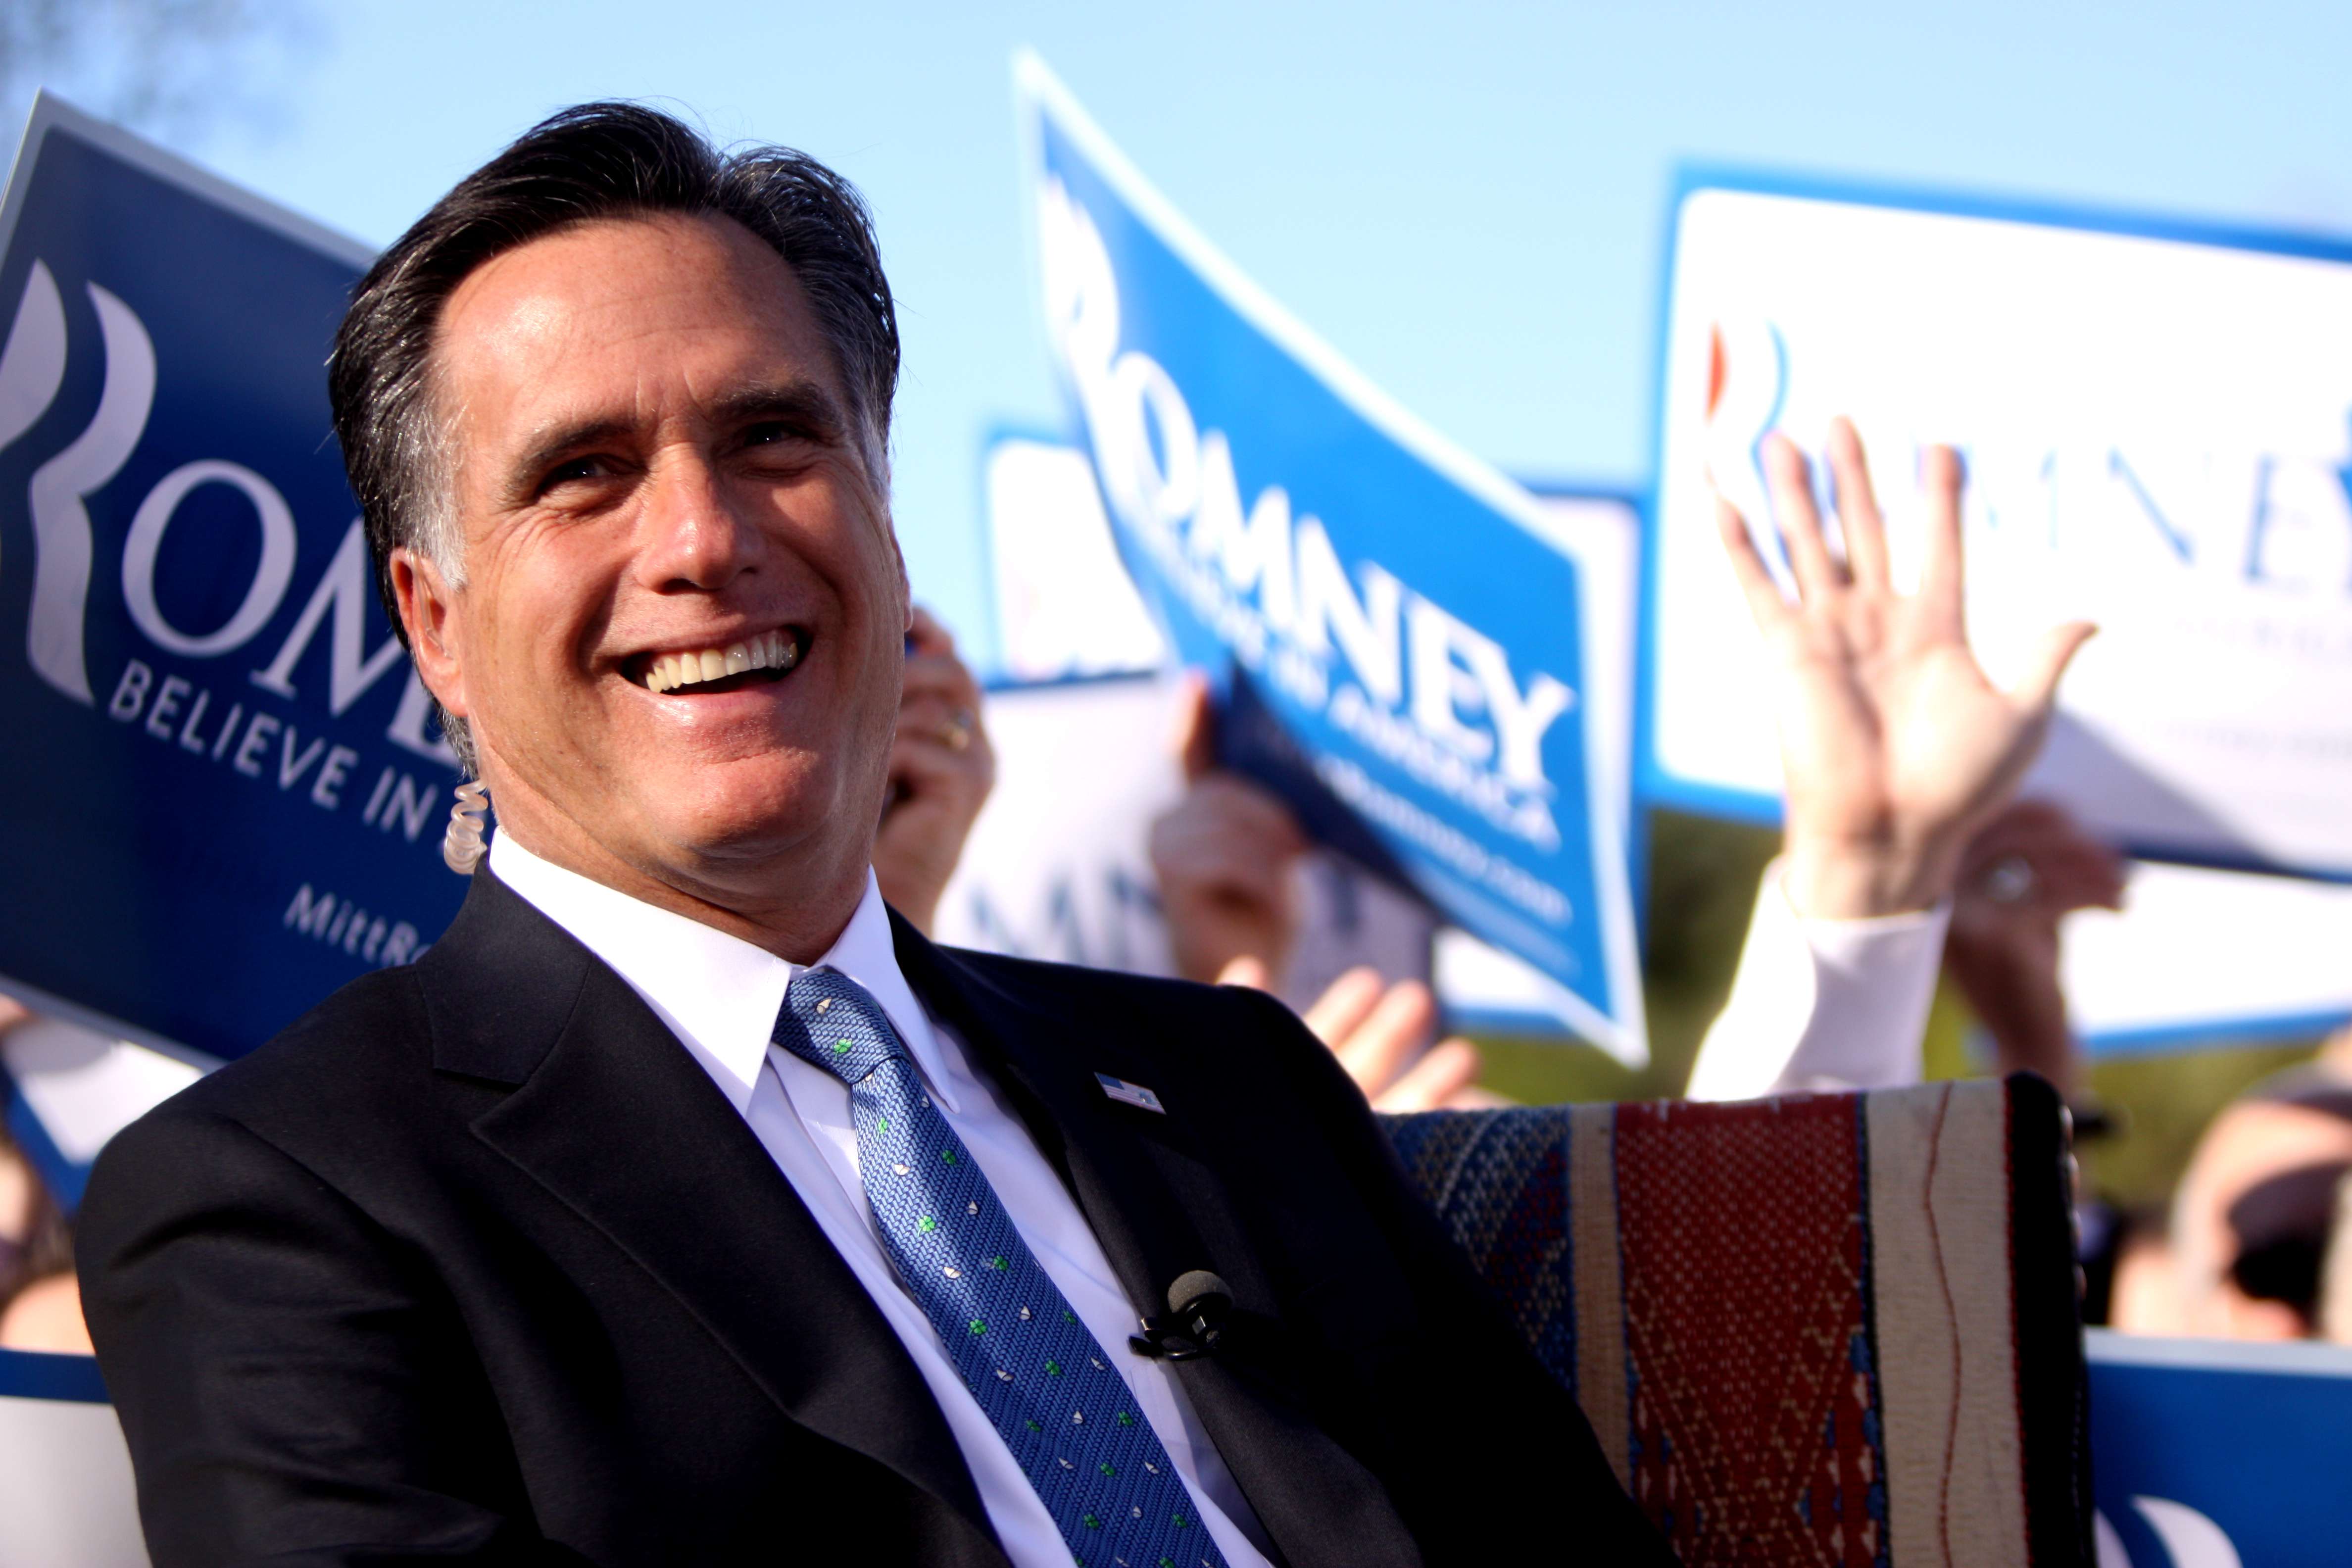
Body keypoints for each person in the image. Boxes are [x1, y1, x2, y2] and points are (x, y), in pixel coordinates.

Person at [76, 105, 1672, 1568]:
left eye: (774, 437)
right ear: (435, 626)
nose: (704, 537)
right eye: (585, 476)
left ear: (885, 522)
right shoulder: (276, 1206)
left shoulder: (1241, 1092)